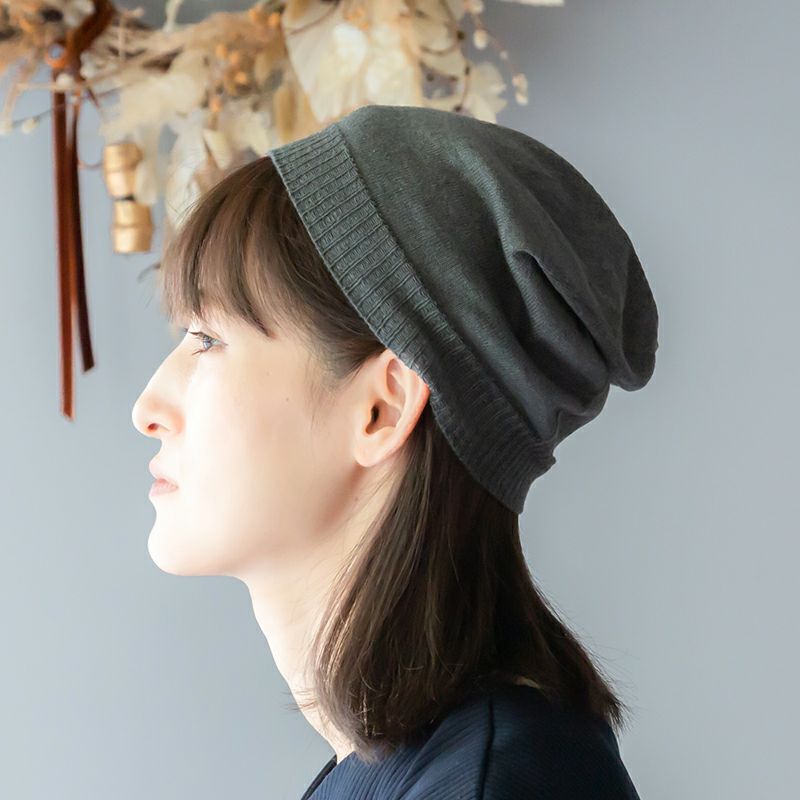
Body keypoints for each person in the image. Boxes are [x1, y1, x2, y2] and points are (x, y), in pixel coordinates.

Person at [131, 104, 658, 798]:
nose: (147, 409)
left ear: (382, 408)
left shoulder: (493, 782)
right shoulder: (414, 766)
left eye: (207, 340)